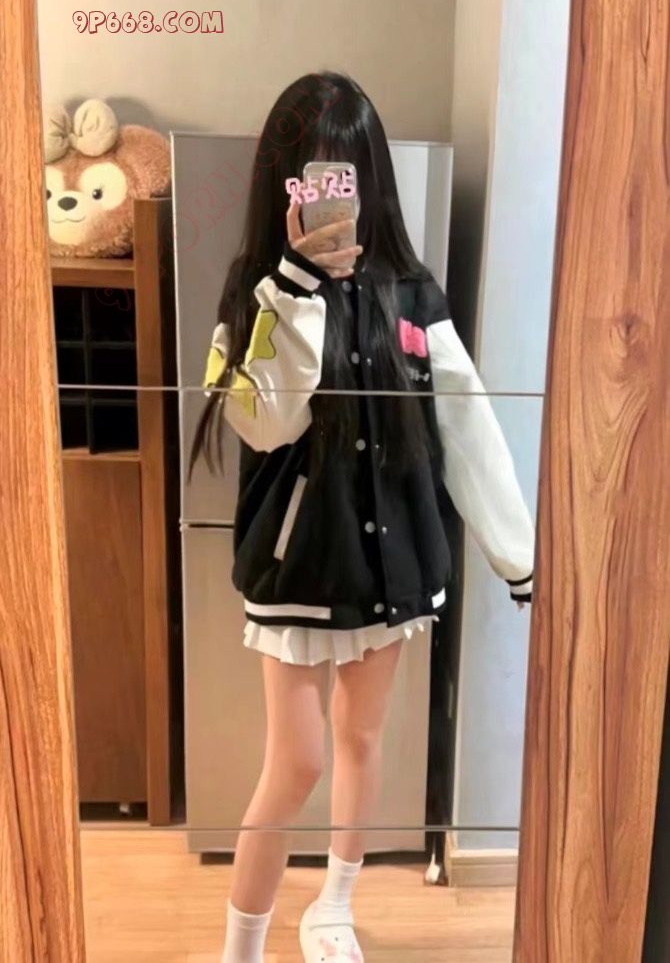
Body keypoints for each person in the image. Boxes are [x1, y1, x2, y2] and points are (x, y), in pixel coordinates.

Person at [190, 70, 535, 963]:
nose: (333, 196)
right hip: (302, 562)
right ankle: (241, 948)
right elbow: (267, 421)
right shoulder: (252, 293)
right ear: (284, 187)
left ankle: (334, 906)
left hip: (394, 560)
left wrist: (517, 553)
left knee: (363, 736)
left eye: (348, 174)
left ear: (371, 180)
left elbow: (465, 420)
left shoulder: (413, 294)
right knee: (297, 760)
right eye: (313, 176)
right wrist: (298, 286)